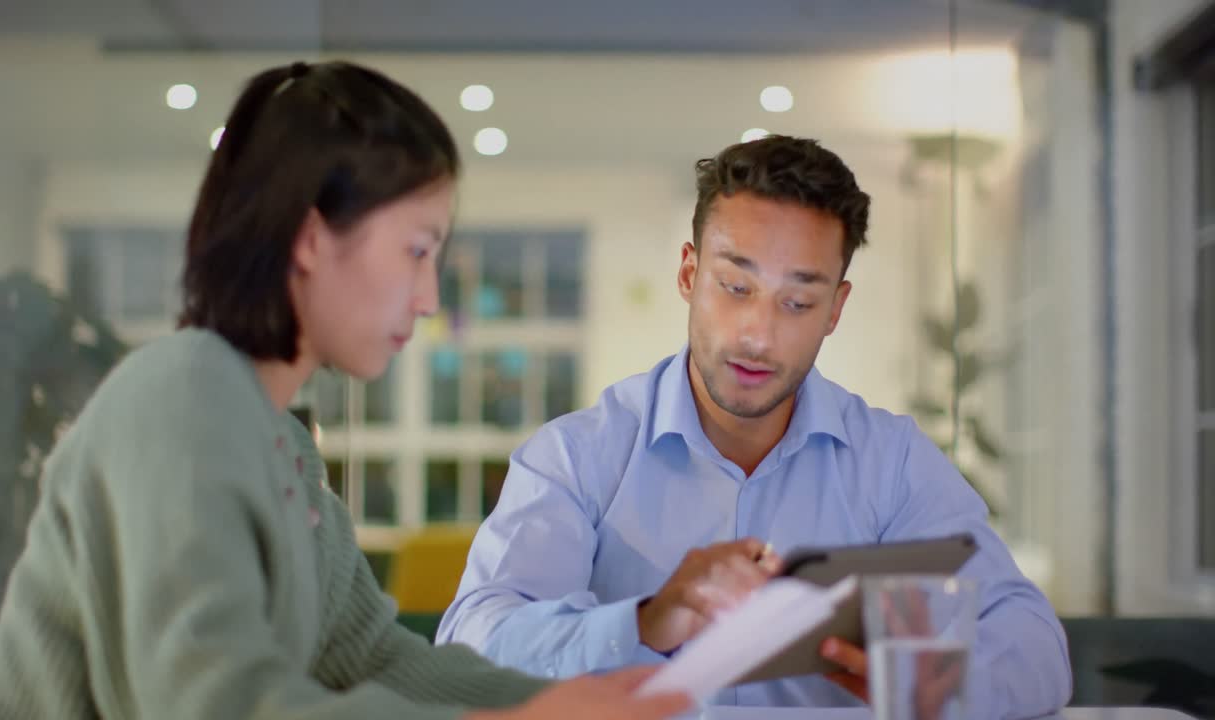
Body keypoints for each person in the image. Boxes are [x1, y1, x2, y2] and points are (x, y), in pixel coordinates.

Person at [0, 61, 691, 720]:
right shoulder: (179, 399)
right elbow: (214, 702)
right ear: (312, 238)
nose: (429, 296)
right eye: (416, 250)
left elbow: (372, 661)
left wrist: (565, 701)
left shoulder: (278, 439)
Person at [436, 135, 1073, 718]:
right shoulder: (577, 457)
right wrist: (646, 623)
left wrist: (936, 688)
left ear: (835, 310)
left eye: (796, 303)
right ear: (688, 274)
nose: (758, 336)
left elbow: (1034, 642)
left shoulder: (894, 464)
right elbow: (473, 643)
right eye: (735, 287)